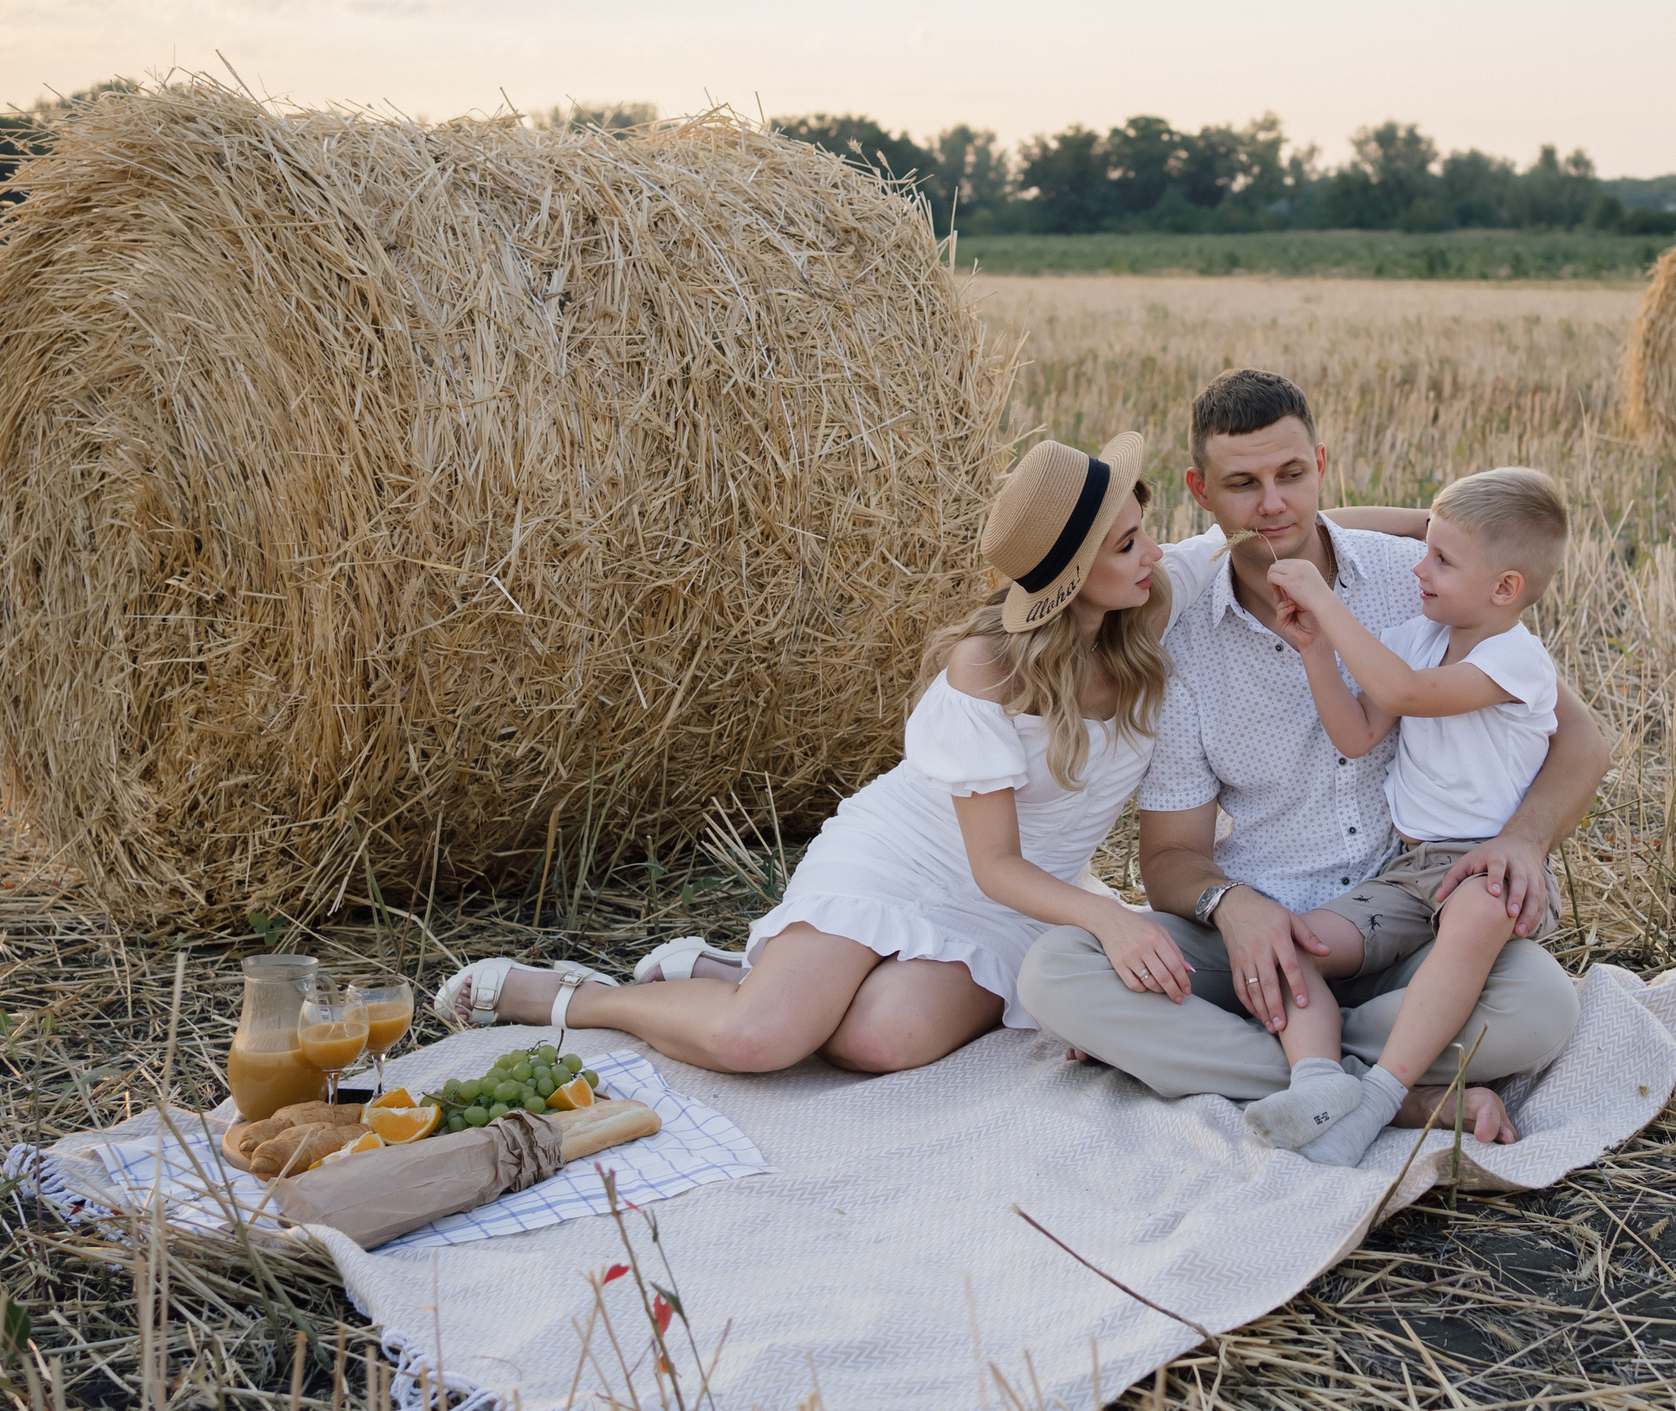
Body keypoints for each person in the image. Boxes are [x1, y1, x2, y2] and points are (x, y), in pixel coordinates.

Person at [432, 430, 1426, 1077]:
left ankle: (732, 964)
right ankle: (580, 996)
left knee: (883, 1040)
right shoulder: (986, 667)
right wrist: (1110, 924)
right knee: (761, 1041)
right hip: (913, 861)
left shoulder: (1153, 599)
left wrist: (1446, 531)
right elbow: (989, 860)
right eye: (1126, 543)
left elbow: (1280, 537)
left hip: (1017, 901)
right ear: (1076, 576)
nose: (1156, 550)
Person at [1017, 370, 1609, 1151]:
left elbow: (1583, 738)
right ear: (1201, 490)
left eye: (1292, 474)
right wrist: (1232, 905)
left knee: (1539, 1005)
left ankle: (1299, 1071)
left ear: (1321, 463)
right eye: (1243, 483)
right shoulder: (1184, 644)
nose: (1272, 504)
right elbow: (1170, 856)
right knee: (1057, 972)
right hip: (1261, 942)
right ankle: (1390, 1091)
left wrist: (1524, 839)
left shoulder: (1423, 580)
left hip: (1414, 926)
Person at [1247, 467, 1571, 1164]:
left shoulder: (1517, 659)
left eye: (1441, 559)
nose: (1419, 566)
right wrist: (1315, 648)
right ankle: (1318, 1081)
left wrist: (1323, 599)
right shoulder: (1421, 634)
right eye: (1427, 546)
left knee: (1483, 911)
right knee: (1295, 945)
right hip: (1408, 869)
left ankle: (1380, 1100)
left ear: (1505, 588)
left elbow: (1407, 693)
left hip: (1486, 865)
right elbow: (1358, 732)